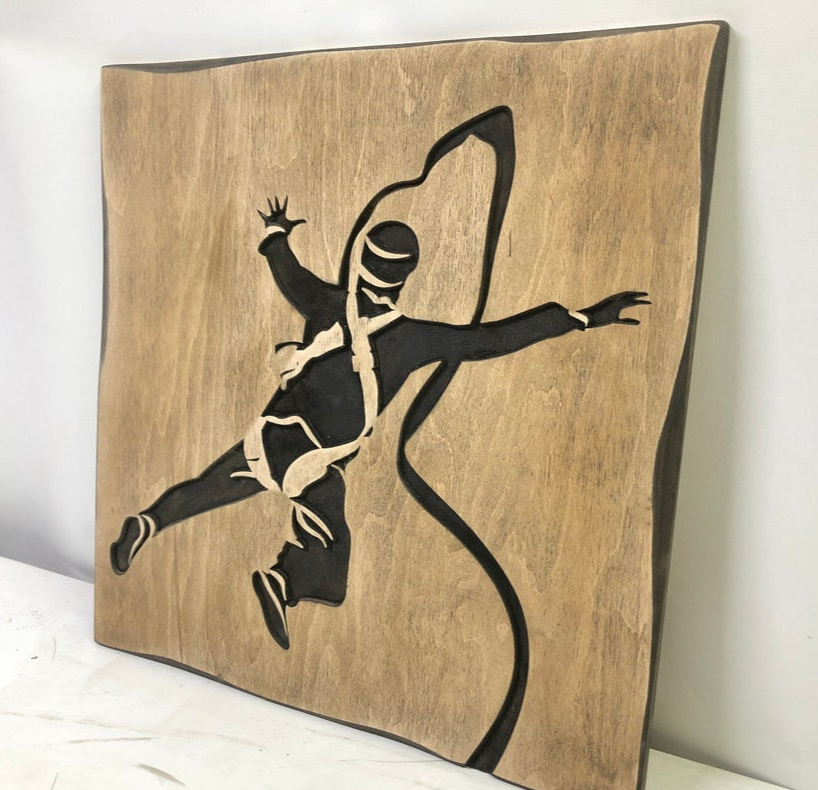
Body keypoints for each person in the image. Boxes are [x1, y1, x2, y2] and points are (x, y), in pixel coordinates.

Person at [110, 197, 649, 649]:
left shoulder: (323, 302)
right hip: (316, 461)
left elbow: (287, 271)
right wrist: (581, 318)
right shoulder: (415, 339)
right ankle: (283, 581)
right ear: (406, 275)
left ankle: (147, 522)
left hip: (269, 437)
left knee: (207, 488)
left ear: (361, 261)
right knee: (333, 557)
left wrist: (276, 232)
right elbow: (492, 340)